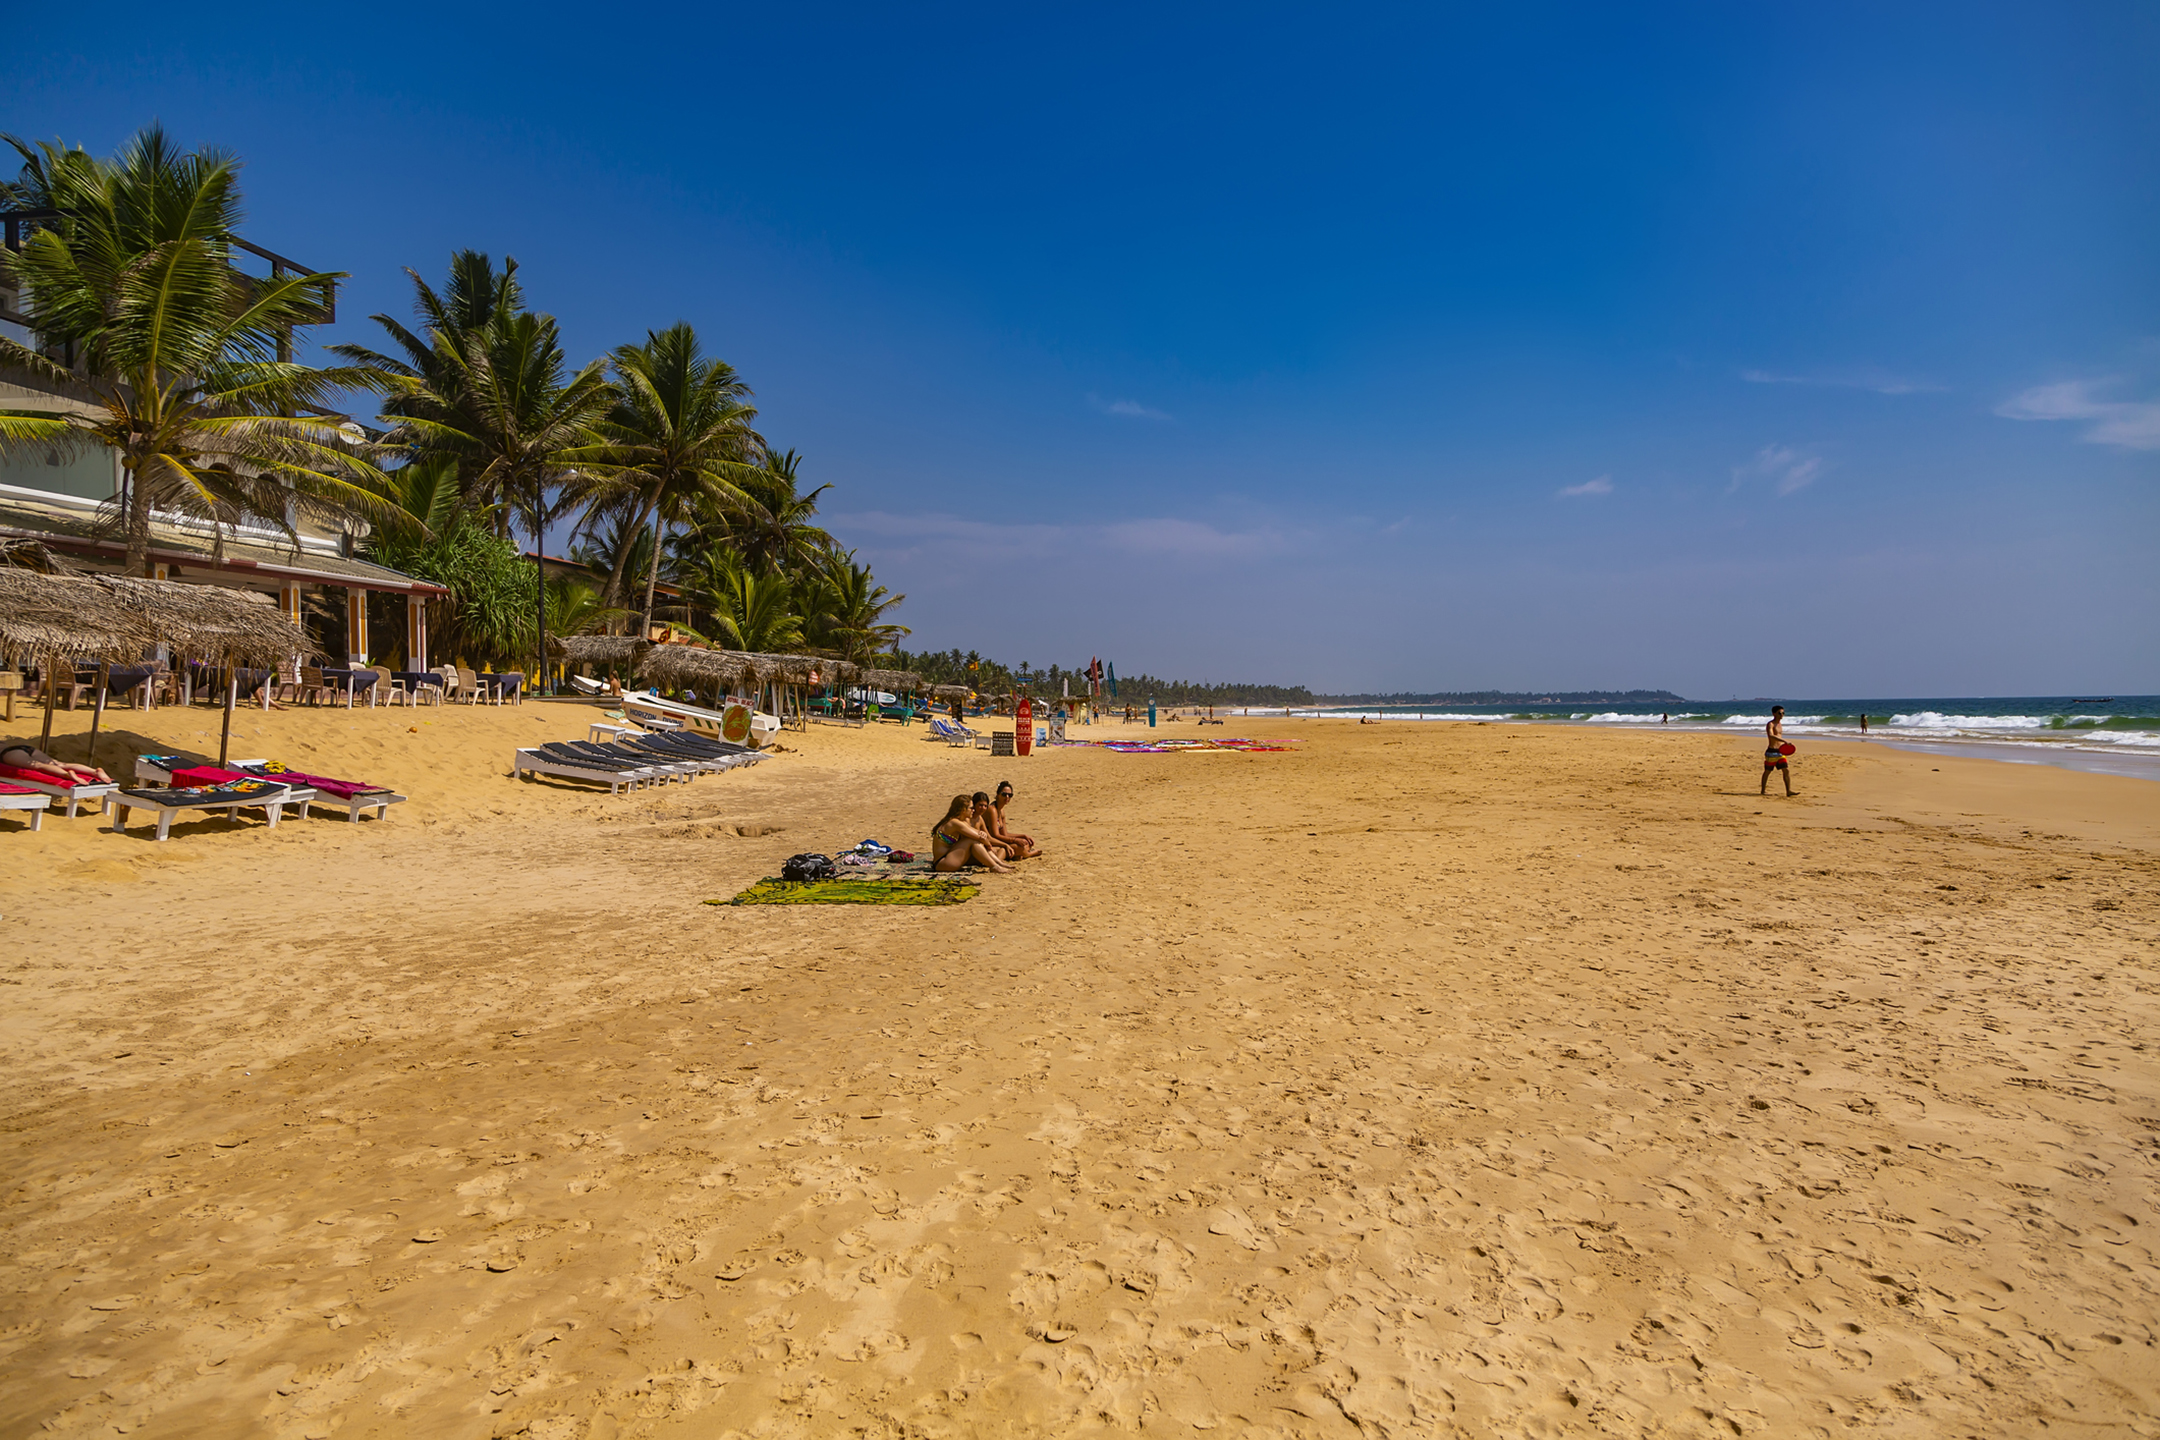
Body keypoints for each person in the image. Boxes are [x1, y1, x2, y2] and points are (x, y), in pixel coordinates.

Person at [931, 794, 1013, 873]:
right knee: (972, 841)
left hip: (949, 858)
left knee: (976, 842)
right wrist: (986, 843)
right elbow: (980, 837)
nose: (973, 810)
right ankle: (995, 866)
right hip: (942, 863)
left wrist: (982, 836)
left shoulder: (960, 821)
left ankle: (998, 864)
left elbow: (980, 835)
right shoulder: (955, 823)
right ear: (963, 809)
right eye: (971, 808)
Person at [0, 742, 112, 785]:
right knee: (60, 764)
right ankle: (94, 771)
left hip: (8, 754)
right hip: (24, 747)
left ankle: (66, 775)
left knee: (38, 766)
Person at [982, 782, 1041, 859]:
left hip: (998, 841)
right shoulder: (992, 810)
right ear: (998, 795)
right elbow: (995, 835)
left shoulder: (1001, 811)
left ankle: (1017, 855)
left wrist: (1022, 836)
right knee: (1019, 847)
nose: (1007, 797)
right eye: (1004, 794)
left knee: (1025, 843)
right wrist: (1015, 840)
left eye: (1010, 795)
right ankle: (1028, 854)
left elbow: (1005, 834)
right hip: (991, 843)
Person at [1761, 705, 1794, 797]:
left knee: (1786, 770)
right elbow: (1771, 735)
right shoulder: (1770, 724)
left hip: (1780, 752)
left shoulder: (1780, 725)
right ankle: (1763, 790)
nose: (1782, 715)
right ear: (1774, 713)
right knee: (1767, 771)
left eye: (1783, 713)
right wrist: (1784, 741)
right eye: (1780, 713)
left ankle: (1788, 791)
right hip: (1771, 752)